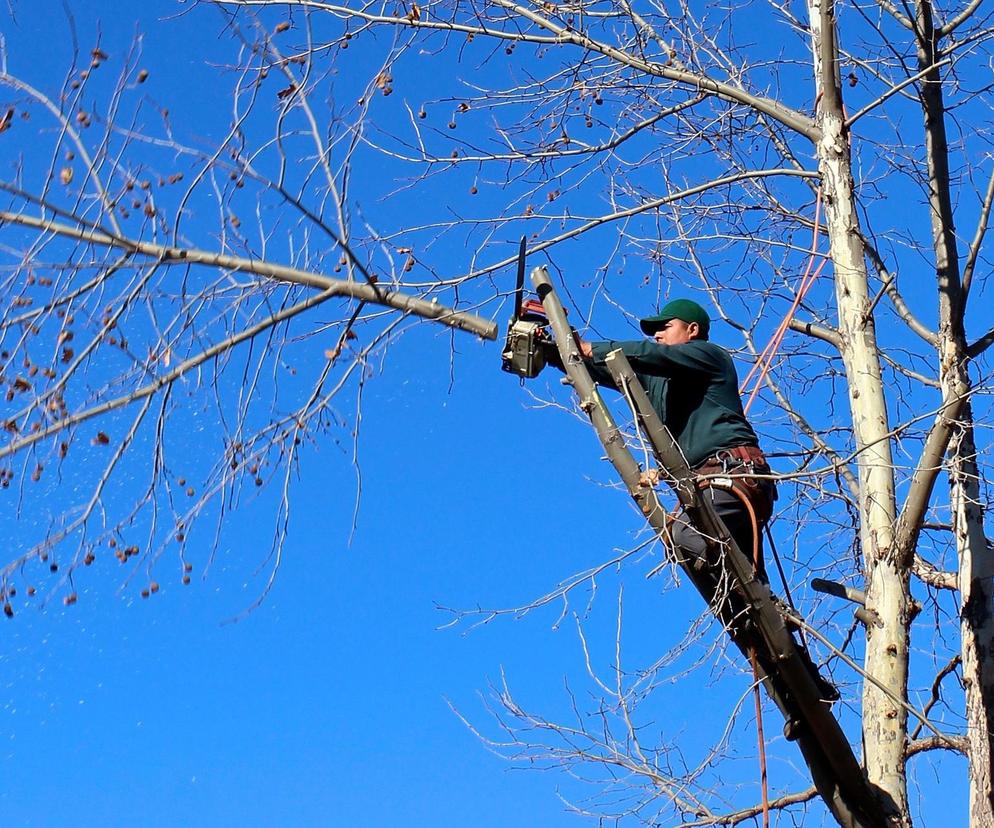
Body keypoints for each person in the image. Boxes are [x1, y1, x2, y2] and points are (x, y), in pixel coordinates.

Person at [558, 298, 776, 580]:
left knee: (685, 535)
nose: (656, 335)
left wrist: (591, 347)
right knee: (743, 582)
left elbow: (648, 355)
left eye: (665, 327)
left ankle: (742, 588)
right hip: (711, 484)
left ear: (692, 330)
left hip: (731, 474)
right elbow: (610, 368)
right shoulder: (659, 380)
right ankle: (758, 608)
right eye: (654, 331)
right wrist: (556, 351)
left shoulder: (709, 356)